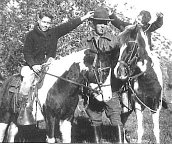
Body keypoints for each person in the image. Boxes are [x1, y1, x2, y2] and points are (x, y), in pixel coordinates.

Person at [19, 9, 94, 96]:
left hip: (49, 67)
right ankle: (25, 106)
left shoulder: (54, 32)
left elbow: (68, 26)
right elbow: (26, 52)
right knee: (26, 85)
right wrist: (33, 65)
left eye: (48, 23)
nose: (46, 25)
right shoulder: (31, 35)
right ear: (38, 20)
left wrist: (84, 17)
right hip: (32, 68)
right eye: (44, 22)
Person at [80, 6, 124, 143]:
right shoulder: (86, 41)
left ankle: (120, 141)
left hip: (111, 86)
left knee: (115, 114)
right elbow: (82, 64)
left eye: (105, 23)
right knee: (94, 116)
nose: (102, 26)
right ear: (93, 23)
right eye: (99, 23)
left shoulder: (115, 41)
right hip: (93, 85)